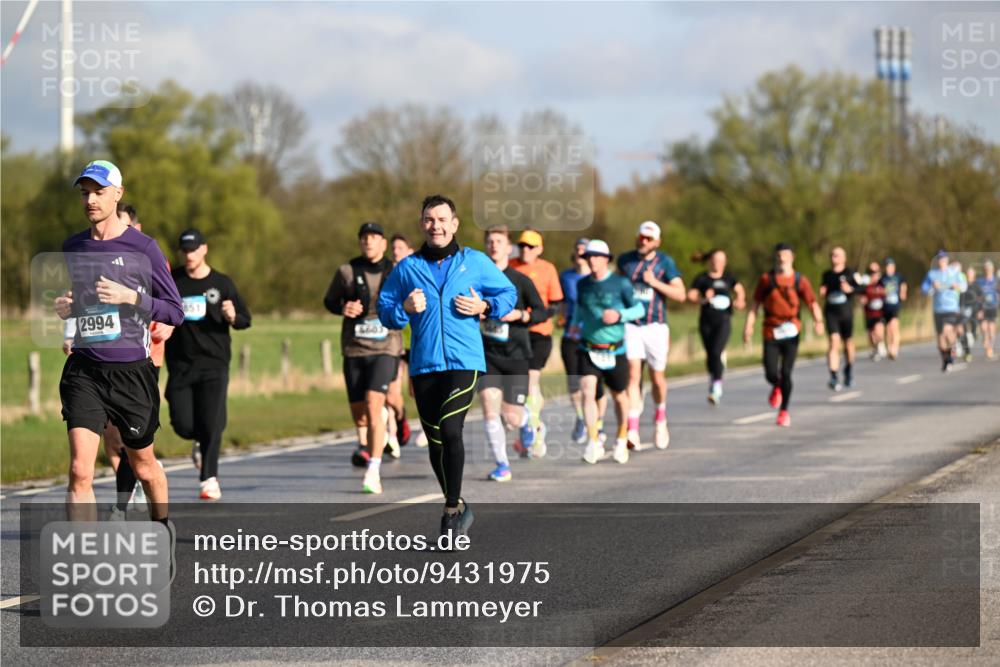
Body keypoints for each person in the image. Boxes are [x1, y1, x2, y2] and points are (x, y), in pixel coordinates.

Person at [55, 160, 183, 531]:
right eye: (85, 193)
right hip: (85, 369)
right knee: (81, 469)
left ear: (118, 194)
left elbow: (175, 311)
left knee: (144, 466)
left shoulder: (144, 248)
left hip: (131, 373)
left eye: (98, 192)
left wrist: (132, 297)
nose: (91, 200)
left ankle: (163, 527)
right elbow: (85, 301)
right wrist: (68, 308)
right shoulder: (74, 246)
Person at [377, 194, 516, 537]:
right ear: (421, 224)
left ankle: (451, 512)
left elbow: (508, 294)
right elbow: (384, 308)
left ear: (454, 225)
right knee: (436, 440)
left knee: (451, 429)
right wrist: (405, 308)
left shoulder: (475, 262)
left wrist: (484, 305)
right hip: (424, 365)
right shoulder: (407, 268)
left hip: (464, 361)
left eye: (442, 219)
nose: (435, 225)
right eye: (429, 219)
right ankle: (459, 503)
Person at [165, 228, 251, 501]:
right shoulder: (173, 281)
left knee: (212, 423)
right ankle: (198, 443)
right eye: (184, 250)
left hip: (214, 363)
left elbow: (245, 320)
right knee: (183, 424)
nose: (189, 255)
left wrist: (232, 316)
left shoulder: (222, 283)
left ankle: (209, 478)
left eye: (193, 249)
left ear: (204, 249)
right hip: (180, 364)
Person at [324, 222, 405, 494]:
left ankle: (373, 470)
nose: (369, 242)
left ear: (383, 243)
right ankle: (382, 422)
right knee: (360, 416)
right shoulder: (346, 271)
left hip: (386, 348)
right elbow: (329, 301)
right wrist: (342, 307)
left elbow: (411, 301)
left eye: (374, 237)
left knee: (373, 405)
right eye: (364, 238)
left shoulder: (396, 271)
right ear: (360, 242)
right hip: (354, 349)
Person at [478, 226, 548, 480]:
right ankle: (502, 465)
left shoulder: (520, 280)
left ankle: (529, 420)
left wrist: (519, 314)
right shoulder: (477, 280)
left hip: (517, 355)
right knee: (488, 406)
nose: (494, 245)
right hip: (488, 354)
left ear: (509, 248)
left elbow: (542, 312)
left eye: (499, 241)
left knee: (512, 419)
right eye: (490, 241)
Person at [570, 239, 646, 464]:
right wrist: (574, 324)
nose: (591, 260)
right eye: (588, 257)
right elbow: (580, 309)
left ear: (606, 259)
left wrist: (620, 316)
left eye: (596, 256)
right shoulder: (583, 284)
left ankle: (622, 438)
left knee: (619, 396)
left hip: (615, 349)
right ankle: (593, 441)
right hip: (588, 346)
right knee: (587, 390)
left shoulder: (621, 283)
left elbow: (639, 308)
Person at [616, 221, 685, 449]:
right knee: (633, 376)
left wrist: (655, 282)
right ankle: (633, 430)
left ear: (657, 241)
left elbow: (681, 294)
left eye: (648, 238)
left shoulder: (665, 262)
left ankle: (660, 419)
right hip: (631, 326)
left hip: (655, 325)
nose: (643, 241)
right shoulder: (625, 261)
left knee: (657, 378)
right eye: (641, 237)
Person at [743, 243, 824, 427]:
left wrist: (818, 321)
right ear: (775, 257)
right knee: (771, 372)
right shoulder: (766, 279)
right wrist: (749, 326)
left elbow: (812, 302)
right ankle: (776, 385)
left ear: (792, 257)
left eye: (785, 255)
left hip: (791, 329)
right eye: (779, 255)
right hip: (771, 330)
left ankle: (784, 411)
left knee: (786, 372)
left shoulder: (799, 280)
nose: (782, 258)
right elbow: (755, 305)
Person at [510, 230, 562, 457]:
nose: (526, 250)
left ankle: (533, 428)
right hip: (514, 334)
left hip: (539, 333)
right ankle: (533, 425)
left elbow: (557, 303)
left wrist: (538, 314)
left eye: (531, 247)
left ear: (539, 249)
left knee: (530, 382)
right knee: (516, 386)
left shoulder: (547, 269)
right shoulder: (509, 266)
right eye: (522, 246)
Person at [559, 238, 607, 443]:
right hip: (571, 335)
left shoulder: (599, 278)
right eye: (578, 250)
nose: (581, 254)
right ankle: (581, 418)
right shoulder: (566, 277)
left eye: (585, 251)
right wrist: (561, 316)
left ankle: (599, 423)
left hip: (595, 336)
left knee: (596, 385)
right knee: (574, 383)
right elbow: (561, 300)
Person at [687, 248, 745, 405]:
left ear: (725, 262)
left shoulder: (728, 278)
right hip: (706, 320)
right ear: (709, 261)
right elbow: (691, 295)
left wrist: (740, 301)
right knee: (710, 355)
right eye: (715, 260)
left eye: (721, 260)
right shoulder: (702, 279)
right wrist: (703, 299)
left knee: (716, 351)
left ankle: (717, 387)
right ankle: (715, 376)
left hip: (724, 320)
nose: (718, 263)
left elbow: (739, 291)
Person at [820, 247, 861, 391]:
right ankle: (833, 375)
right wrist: (823, 291)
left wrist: (850, 289)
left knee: (848, 343)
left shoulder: (851, 273)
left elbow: (861, 288)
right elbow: (823, 290)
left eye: (837, 255)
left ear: (844, 258)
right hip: (831, 312)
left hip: (846, 313)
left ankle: (848, 370)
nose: (834, 258)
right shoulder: (827, 275)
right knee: (833, 341)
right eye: (832, 255)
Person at [389, 233, 415, 447]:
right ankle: (394, 428)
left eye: (400, 248)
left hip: (415, 340)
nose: (396, 252)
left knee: (416, 392)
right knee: (391, 392)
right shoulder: (388, 275)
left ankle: (427, 426)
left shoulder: (416, 274)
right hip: (394, 341)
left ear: (410, 252)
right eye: (393, 248)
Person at [921, 250, 967, 372]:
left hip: (951, 308)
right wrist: (932, 287)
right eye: (939, 259)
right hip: (938, 310)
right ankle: (946, 359)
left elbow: (964, 286)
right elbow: (924, 289)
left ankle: (953, 349)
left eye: (944, 259)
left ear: (947, 260)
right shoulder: (932, 274)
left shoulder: (954, 272)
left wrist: (957, 286)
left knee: (947, 331)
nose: (942, 261)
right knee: (940, 337)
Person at [880, 258, 908, 360]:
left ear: (893, 267)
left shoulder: (898, 276)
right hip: (885, 306)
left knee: (893, 326)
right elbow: (879, 289)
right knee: (888, 329)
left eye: (890, 266)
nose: (888, 268)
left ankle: (894, 349)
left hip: (895, 305)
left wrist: (903, 292)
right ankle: (889, 348)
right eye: (887, 266)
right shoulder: (882, 278)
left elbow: (904, 284)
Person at [861, 262, 888, 361]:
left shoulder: (882, 283)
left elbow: (888, 293)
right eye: (871, 272)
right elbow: (861, 296)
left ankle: (880, 344)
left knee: (879, 331)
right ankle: (874, 348)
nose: (874, 275)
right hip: (869, 313)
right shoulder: (865, 285)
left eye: (876, 272)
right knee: (871, 335)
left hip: (880, 313)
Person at [975, 259, 998, 359]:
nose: (987, 270)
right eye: (986, 269)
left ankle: (990, 346)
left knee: (991, 327)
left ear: (992, 269)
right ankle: (985, 338)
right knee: (984, 327)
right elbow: (976, 294)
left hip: (993, 306)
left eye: (989, 269)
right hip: (982, 307)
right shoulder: (980, 281)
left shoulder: (996, 280)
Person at [958, 266, 982, 362]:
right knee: (962, 328)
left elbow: (981, 298)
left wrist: (981, 310)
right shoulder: (963, 285)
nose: (969, 275)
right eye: (968, 273)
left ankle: (973, 334)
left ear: (974, 274)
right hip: (964, 310)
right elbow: (960, 297)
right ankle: (966, 351)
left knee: (973, 329)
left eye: (971, 273)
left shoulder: (977, 286)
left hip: (974, 310)